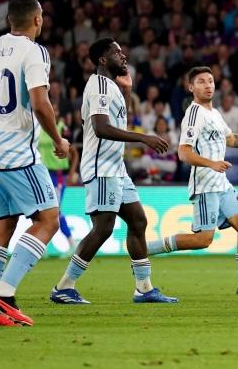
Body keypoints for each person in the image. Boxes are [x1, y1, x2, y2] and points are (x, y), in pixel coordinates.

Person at [0, 0, 71, 326]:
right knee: (49, 219)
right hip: (16, 154)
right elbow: (40, 103)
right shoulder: (35, 52)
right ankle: (4, 294)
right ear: (37, 20)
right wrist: (58, 140)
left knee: (2, 225)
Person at [50, 38, 177, 305]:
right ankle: (64, 286)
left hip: (116, 167)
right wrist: (144, 138)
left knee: (138, 221)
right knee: (104, 227)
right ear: (102, 60)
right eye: (117, 53)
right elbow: (101, 127)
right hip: (101, 167)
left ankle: (144, 288)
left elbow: (119, 119)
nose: (124, 56)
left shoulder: (112, 87)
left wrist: (128, 92)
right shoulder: (97, 86)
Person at [146, 66, 238, 295]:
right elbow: (183, 153)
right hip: (206, 184)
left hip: (221, 183)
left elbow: (232, 139)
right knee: (203, 240)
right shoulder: (194, 114)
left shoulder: (215, 114)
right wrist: (212, 163)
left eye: (210, 81)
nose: (208, 85)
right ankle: (145, 248)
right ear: (191, 87)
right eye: (201, 82)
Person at [37, 104, 80, 257]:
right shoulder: (39, 127)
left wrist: (72, 172)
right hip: (42, 174)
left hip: (57, 175)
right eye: (51, 109)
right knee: (41, 211)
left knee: (55, 211)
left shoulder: (61, 128)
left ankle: (71, 243)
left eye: (55, 110)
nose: (52, 112)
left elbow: (74, 152)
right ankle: (42, 246)